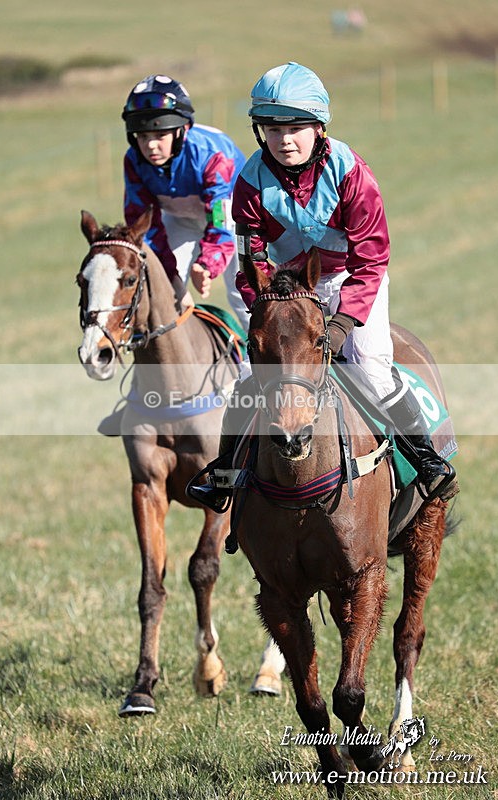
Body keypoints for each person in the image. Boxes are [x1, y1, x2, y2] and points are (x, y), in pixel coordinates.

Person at [191, 61, 458, 508]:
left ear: (318, 128)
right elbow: (249, 265)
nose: (284, 140)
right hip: (289, 293)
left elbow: (371, 260)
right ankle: (224, 473)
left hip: (351, 281)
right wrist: (270, 310)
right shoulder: (250, 184)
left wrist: (342, 323)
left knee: (370, 367)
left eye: (296, 127)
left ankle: (425, 458)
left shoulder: (352, 174)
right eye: (272, 129)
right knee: (248, 378)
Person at [122, 73, 249, 332]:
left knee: (241, 293)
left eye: (160, 135)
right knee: (159, 284)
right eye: (143, 136)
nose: (150, 146)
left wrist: (207, 264)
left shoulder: (212, 154)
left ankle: (264, 365)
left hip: (235, 217)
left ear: (182, 130)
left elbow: (221, 221)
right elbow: (143, 226)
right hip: (181, 219)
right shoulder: (133, 160)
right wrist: (172, 278)